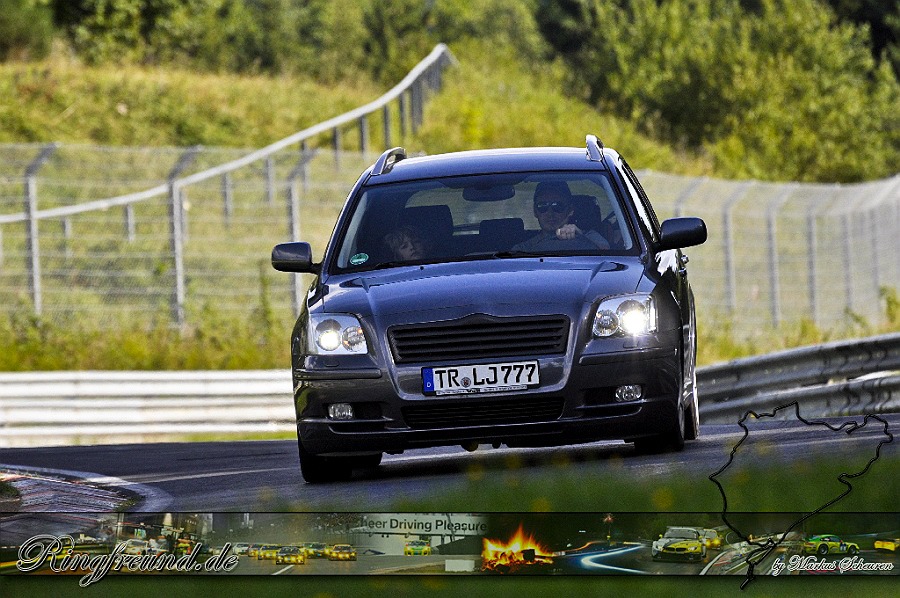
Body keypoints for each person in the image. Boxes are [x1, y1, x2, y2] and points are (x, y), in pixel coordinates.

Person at [512, 181, 610, 252]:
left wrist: (579, 235)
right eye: (543, 206)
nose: (550, 213)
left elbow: (608, 255)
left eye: (558, 206)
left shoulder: (590, 236)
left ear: (570, 210)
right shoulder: (523, 248)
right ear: (535, 211)